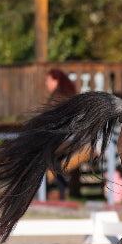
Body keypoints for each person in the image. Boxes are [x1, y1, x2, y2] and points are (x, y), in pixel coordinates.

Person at [44, 68, 79, 200]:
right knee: (54, 161)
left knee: (46, 157)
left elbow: (53, 118)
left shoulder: (58, 97)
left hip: (62, 137)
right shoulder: (66, 94)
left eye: (48, 80)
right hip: (68, 136)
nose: (47, 84)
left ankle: (53, 189)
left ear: (56, 80)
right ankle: (60, 190)